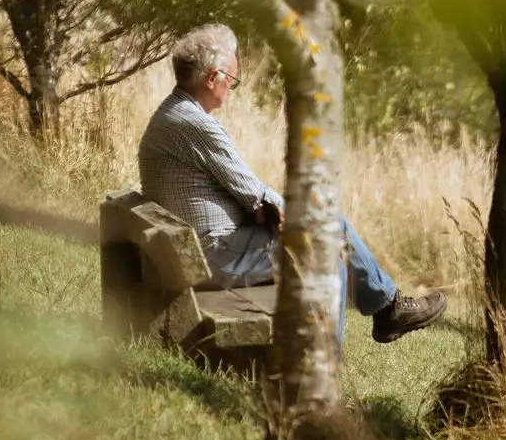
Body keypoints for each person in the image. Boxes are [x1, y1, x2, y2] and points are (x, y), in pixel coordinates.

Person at [137, 22, 447, 344]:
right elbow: (252, 190)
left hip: (198, 248)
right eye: (232, 79)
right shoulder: (197, 125)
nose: (232, 87)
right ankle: (332, 358)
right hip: (212, 256)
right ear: (213, 78)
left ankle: (387, 309)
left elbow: (241, 190)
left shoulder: (174, 113)